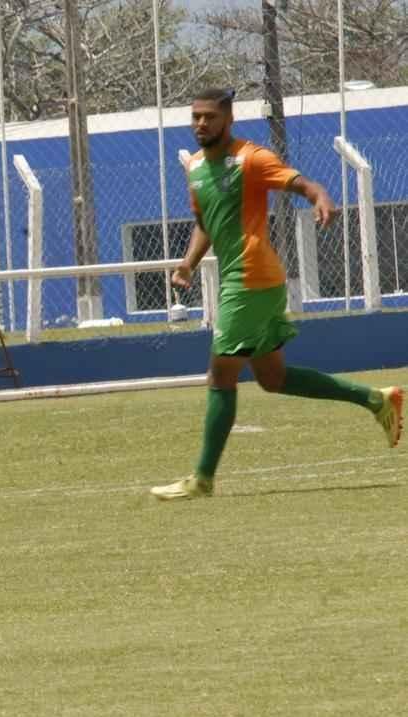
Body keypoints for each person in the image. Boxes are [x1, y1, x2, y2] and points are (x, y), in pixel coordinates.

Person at [151, 88, 403, 500]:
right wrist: (187, 263)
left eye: (209, 117)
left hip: (250, 279)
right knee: (273, 378)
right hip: (252, 283)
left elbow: (300, 183)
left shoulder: (251, 158)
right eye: (195, 117)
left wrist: (320, 196)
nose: (200, 124)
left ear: (228, 120)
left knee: (221, 374)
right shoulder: (195, 167)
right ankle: (377, 400)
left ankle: (202, 480)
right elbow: (205, 222)